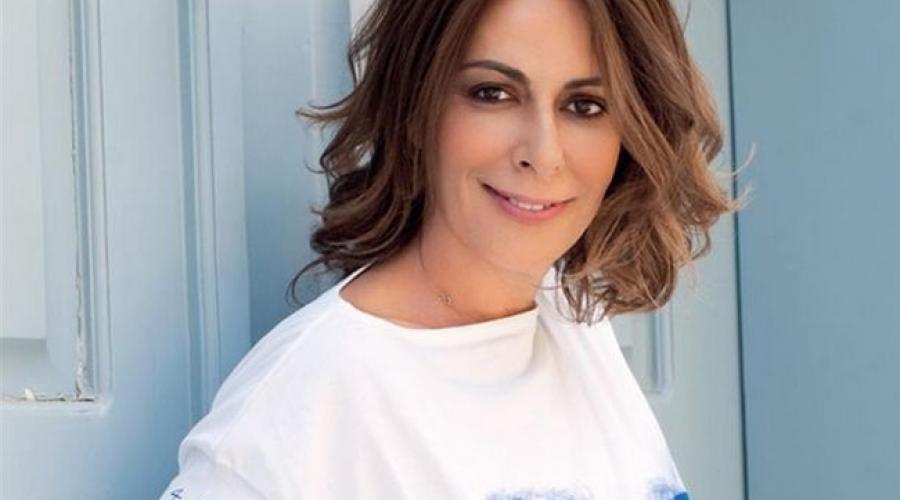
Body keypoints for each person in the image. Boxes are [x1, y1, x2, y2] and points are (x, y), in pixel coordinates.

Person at [159, 0, 740, 498]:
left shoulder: (574, 324)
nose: (544, 154)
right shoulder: (305, 400)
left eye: (584, 105)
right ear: (417, 107)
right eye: (493, 93)